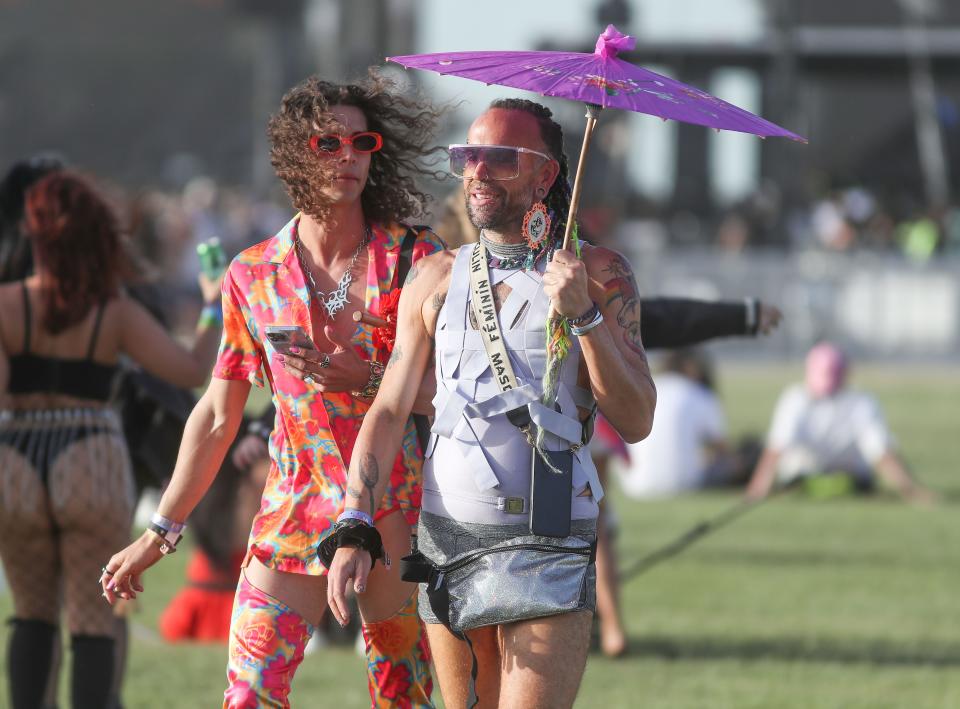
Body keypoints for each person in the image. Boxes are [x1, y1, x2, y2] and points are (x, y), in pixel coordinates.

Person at [102, 74, 445, 708]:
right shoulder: (252, 273)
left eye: (360, 142)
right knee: (249, 696)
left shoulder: (415, 259)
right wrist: (160, 531)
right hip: (292, 511)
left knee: (404, 697)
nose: (347, 156)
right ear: (295, 153)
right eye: (328, 144)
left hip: (394, 512)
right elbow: (216, 415)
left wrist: (366, 377)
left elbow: (453, 392)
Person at [327, 98, 657, 708]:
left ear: (546, 174)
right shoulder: (433, 276)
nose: (478, 171)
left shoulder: (598, 270)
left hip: (549, 534)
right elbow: (390, 409)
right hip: (447, 533)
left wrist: (584, 314)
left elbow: (637, 420)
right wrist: (354, 523)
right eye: (469, 155)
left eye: (501, 158)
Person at [0, 170, 222, 709]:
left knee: (30, 612)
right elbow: (190, 369)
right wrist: (213, 303)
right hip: (90, 457)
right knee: (94, 615)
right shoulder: (112, 310)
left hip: (19, 458)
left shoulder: (6, 304)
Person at [745, 342, 935, 502]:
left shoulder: (861, 402)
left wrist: (910, 490)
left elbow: (881, 452)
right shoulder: (795, 400)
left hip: (850, 478)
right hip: (803, 476)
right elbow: (777, 447)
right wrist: (758, 488)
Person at [620, 348, 728, 498]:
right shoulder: (700, 394)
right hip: (684, 482)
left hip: (636, 484)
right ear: (691, 366)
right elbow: (721, 449)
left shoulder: (649, 389)